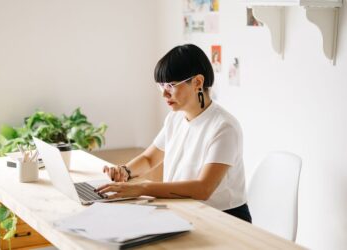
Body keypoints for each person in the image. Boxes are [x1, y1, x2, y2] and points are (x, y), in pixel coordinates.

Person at [95, 44, 252, 223]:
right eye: (161, 85)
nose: (164, 94)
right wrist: (125, 171)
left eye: (170, 85)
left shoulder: (224, 127)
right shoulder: (175, 119)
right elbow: (150, 159)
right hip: (183, 209)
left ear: (197, 82)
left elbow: (203, 189)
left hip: (224, 219)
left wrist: (143, 188)